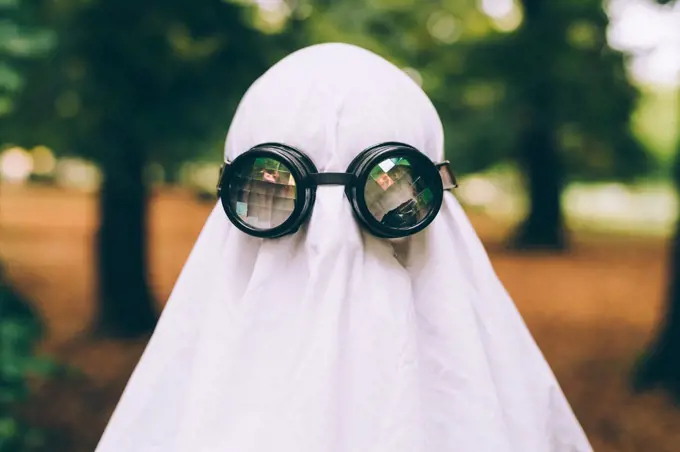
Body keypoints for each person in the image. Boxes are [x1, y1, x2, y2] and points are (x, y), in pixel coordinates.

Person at [94, 43, 592, 452]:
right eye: (272, 194)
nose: (334, 241)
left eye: (392, 191)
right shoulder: (503, 391)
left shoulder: (178, 397)